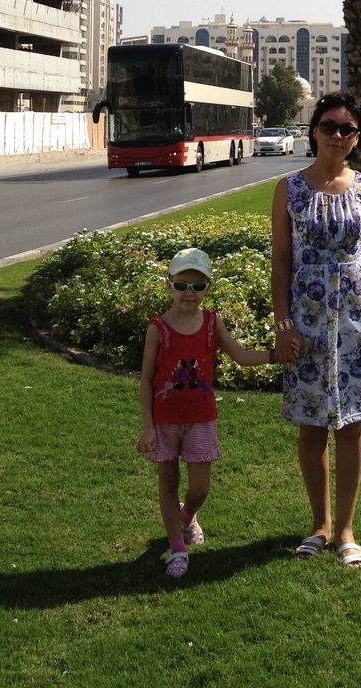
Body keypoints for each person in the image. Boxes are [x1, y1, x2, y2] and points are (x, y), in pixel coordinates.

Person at [271, 91, 361, 569]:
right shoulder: (290, 188)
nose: (338, 136)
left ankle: (345, 529)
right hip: (305, 321)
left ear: (357, 138)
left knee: (352, 424)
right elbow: (281, 259)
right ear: (313, 130)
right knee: (310, 425)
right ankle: (319, 525)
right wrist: (282, 324)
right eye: (329, 126)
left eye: (348, 129)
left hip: (356, 322)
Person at [137, 246, 276, 579]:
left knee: (200, 489)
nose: (189, 293)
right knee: (168, 483)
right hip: (166, 420)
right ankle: (177, 549)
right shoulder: (158, 328)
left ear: (208, 288)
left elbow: (241, 356)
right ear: (168, 285)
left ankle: (187, 517)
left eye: (198, 286)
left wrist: (278, 355)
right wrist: (148, 426)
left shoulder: (213, 323)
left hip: (201, 418)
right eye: (182, 285)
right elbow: (145, 379)